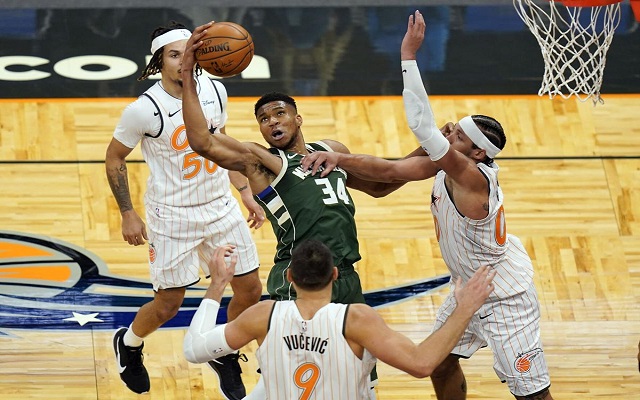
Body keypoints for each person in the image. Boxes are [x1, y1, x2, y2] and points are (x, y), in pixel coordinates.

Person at [300, 10, 554, 400]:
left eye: (461, 138)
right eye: (455, 131)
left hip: (504, 295)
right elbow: (389, 173)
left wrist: (408, 56)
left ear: (479, 154)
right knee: (439, 363)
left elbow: (421, 125)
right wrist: (340, 163)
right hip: (469, 284)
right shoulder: (447, 165)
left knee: (531, 394)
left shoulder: (471, 176)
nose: (451, 136)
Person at [105, 21, 264, 399]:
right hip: (172, 216)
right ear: (159, 62)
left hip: (219, 207)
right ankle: (128, 343)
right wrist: (128, 212)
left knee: (250, 289)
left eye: (189, 53)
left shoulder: (215, 90)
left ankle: (223, 351)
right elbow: (115, 158)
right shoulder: (144, 110)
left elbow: (220, 143)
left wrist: (244, 189)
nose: (183, 61)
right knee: (168, 305)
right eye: (174, 55)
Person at [184, 240, 495, 399]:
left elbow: (194, 350)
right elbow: (422, 364)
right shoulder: (356, 320)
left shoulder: (262, 315)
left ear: (289, 277)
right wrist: (464, 308)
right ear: (334, 274)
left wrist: (218, 284)